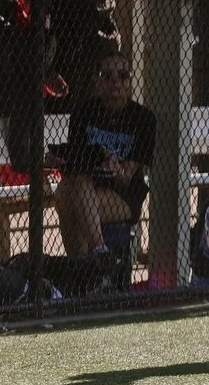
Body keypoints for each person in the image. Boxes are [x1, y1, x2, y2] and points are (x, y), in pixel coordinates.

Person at [52, 49, 155, 259]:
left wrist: (116, 169)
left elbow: (126, 178)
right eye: (107, 76)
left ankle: (84, 263)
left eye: (123, 76)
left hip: (123, 195)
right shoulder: (83, 112)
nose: (115, 82)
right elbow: (76, 162)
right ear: (97, 82)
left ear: (130, 82)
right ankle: (97, 257)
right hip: (86, 184)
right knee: (67, 189)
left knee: (72, 201)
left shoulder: (143, 118)